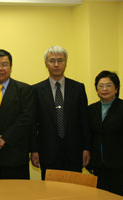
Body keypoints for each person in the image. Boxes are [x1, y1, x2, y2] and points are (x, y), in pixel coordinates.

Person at [32, 46, 91, 179]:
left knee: (75, 192)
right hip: (47, 152)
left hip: (74, 151)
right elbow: (33, 124)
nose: (56, 64)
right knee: (50, 192)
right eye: (52, 60)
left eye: (60, 60)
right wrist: (34, 150)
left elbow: (84, 121)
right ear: (46, 64)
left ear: (66, 62)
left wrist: (87, 148)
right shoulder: (35, 90)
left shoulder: (78, 88)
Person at [0, 49, 36, 179]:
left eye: (4, 64)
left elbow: (26, 119)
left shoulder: (25, 90)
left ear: (11, 67)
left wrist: (4, 139)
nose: (0, 68)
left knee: (17, 196)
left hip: (15, 156)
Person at [88, 70, 123, 195]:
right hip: (99, 166)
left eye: (109, 85)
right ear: (97, 89)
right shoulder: (91, 109)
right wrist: (90, 163)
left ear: (116, 88)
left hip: (120, 167)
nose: (104, 89)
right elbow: (89, 136)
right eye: (101, 86)